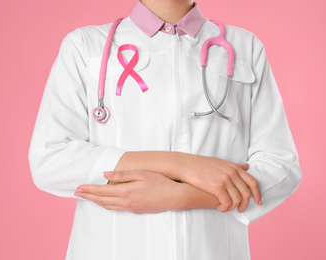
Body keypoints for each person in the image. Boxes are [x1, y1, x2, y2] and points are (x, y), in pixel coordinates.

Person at [28, 0, 303, 259]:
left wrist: (183, 197)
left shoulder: (244, 46)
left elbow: (280, 167)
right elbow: (51, 159)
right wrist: (181, 165)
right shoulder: (85, 46)